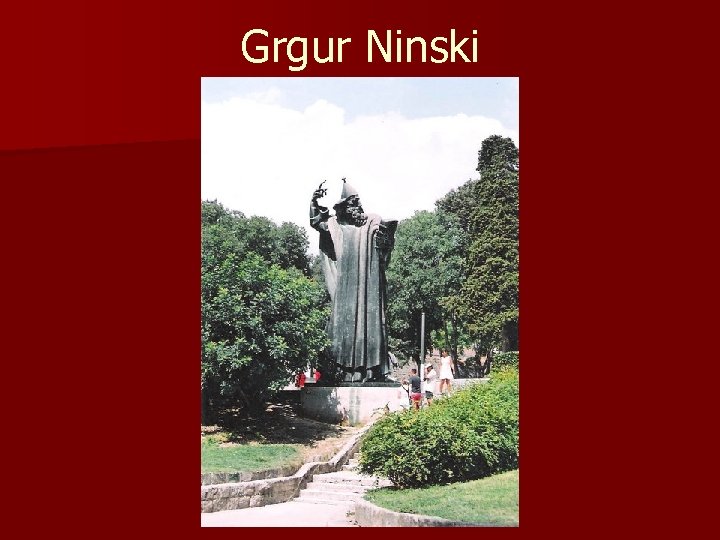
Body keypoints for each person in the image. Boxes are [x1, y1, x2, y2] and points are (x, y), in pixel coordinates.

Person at [310, 178, 398, 382]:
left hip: (369, 286)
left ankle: (370, 370)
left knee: (370, 323)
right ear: (343, 208)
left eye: (357, 202)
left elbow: (385, 247)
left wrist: (386, 239)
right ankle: (341, 371)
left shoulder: (372, 222)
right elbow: (317, 223)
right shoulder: (335, 225)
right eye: (352, 203)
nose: (357, 206)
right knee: (341, 325)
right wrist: (314, 202)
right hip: (346, 288)